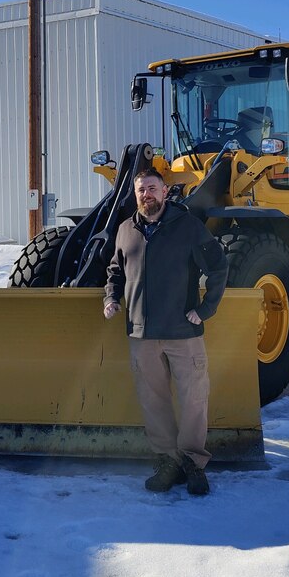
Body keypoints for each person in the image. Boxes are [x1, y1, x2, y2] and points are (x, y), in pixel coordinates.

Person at [104, 168, 228, 495]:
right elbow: (116, 271)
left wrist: (205, 309)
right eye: (141, 189)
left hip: (183, 332)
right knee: (153, 401)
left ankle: (192, 463)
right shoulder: (125, 231)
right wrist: (111, 298)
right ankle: (167, 461)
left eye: (152, 188)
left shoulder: (187, 226)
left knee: (194, 401)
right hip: (141, 334)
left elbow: (218, 265)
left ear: (164, 191)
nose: (147, 194)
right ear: (136, 194)